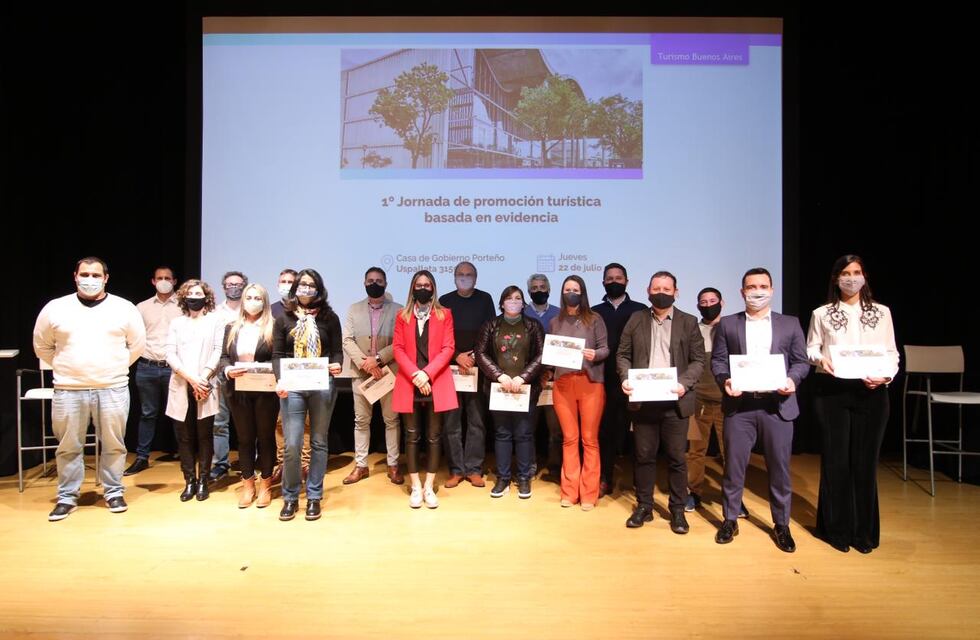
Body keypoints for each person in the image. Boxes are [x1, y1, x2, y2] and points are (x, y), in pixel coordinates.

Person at [33, 257, 146, 521]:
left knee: (114, 445)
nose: (90, 279)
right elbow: (42, 346)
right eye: (85, 274)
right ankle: (67, 497)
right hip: (69, 389)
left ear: (106, 278)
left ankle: (114, 492)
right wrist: (67, 368)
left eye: (96, 275)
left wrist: (114, 366)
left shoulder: (124, 308)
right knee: (68, 446)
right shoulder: (55, 308)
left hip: (113, 387)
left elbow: (137, 345)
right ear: (75, 275)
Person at [711, 267, 810, 553]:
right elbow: (718, 362)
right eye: (751, 287)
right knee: (733, 468)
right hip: (740, 406)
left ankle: (781, 524)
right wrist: (725, 380)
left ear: (772, 289)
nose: (757, 291)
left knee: (779, 470)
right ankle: (730, 520)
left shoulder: (790, 324)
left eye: (763, 286)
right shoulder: (728, 324)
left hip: (777, 406)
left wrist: (792, 379)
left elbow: (801, 362)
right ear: (742, 292)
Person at [807, 255, 898, 554]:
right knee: (836, 462)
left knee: (864, 463)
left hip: (872, 393)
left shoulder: (882, 313)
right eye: (845, 273)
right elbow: (811, 347)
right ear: (836, 279)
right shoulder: (821, 313)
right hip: (833, 392)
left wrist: (886, 376)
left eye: (856, 272)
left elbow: (891, 352)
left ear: (865, 276)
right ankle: (836, 529)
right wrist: (822, 359)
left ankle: (864, 533)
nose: (851, 278)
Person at [617, 272, 705, 533]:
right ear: (647, 290)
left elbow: (698, 360)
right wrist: (625, 378)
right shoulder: (636, 319)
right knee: (644, 457)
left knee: (677, 458)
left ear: (676, 292)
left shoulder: (688, 322)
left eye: (666, 288)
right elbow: (623, 354)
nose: (661, 292)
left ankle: (677, 510)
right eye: (656, 288)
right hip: (644, 402)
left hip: (675, 401)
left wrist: (684, 384)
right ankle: (644, 506)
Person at [273, 269, 343, 521]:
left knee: (318, 442)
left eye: (311, 285)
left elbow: (337, 351)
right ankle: (290, 496)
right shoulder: (284, 318)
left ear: (319, 289)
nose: (305, 288)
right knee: (292, 443)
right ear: (295, 289)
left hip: (321, 384)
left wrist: (337, 365)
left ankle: (314, 495)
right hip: (292, 386)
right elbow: (278, 355)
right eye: (301, 284)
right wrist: (279, 379)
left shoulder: (330, 318)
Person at [393, 270, 458, 509]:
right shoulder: (402, 315)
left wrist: (426, 374)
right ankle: (416, 487)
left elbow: (449, 348)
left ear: (433, 288)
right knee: (411, 436)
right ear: (412, 288)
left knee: (433, 436)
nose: (423, 288)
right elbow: (398, 348)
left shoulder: (445, 314)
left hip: (435, 381)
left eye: (427, 284)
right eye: (418, 285)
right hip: (410, 382)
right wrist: (415, 375)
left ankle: (429, 486)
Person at [475, 286, 545, 499]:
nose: (513, 302)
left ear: (523, 303)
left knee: (524, 434)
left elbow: (542, 355)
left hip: (525, 389)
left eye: (518, 298)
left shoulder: (533, 326)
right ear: (502, 302)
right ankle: (503, 478)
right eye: (509, 298)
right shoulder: (491, 325)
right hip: (499, 389)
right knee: (502, 434)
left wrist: (523, 377)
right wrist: (500, 376)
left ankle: (524, 478)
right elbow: (480, 353)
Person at [685, 287, 747, 518]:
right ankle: (693, 492)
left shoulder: (732, 328)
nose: (708, 304)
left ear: (723, 302)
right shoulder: (693, 329)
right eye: (703, 301)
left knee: (730, 452)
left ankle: (734, 499)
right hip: (697, 400)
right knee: (695, 451)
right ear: (697, 304)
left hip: (727, 401)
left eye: (713, 300)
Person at [549, 275, 609, 510]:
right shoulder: (555, 321)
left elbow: (605, 348)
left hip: (589, 382)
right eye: (567, 289)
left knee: (589, 440)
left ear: (582, 293)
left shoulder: (594, 319)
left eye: (575, 289)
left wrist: (596, 354)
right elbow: (552, 352)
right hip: (563, 384)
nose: (571, 293)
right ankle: (569, 491)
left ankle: (589, 494)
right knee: (569, 439)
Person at [342, 266, 404, 486]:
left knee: (391, 421)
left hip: (389, 372)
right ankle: (361, 466)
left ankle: (393, 464)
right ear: (364, 283)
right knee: (361, 421)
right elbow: (347, 340)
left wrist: (377, 360)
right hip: (361, 373)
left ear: (386, 284)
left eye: (379, 280)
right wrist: (366, 364)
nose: (374, 283)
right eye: (370, 280)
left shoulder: (399, 310)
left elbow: (401, 342)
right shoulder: (353, 309)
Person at [219, 283, 279, 508]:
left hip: (265, 391)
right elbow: (224, 356)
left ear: (264, 301)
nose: (253, 301)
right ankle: (248, 485)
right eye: (249, 297)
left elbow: (278, 358)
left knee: (265, 438)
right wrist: (227, 370)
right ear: (243, 300)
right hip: (238, 390)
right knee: (244, 440)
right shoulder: (231, 327)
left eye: (258, 298)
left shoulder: (273, 326)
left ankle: (265, 484)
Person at [165, 279, 224, 502]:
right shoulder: (176, 323)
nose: (195, 297)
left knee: (205, 436)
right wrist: (191, 379)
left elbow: (218, 350)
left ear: (206, 297)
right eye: (190, 293)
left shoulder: (215, 321)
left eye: (199, 293)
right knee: (185, 437)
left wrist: (203, 378)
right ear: (183, 297)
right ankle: (189, 480)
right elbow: (170, 353)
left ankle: (203, 481)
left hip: (205, 385)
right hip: (182, 383)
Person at [439, 261, 496, 488]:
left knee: (476, 421)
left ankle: (473, 469)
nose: (465, 277)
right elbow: (439, 336)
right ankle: (455, 470)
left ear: (476, 277)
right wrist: (457, 356)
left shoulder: (485, 299)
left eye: (469, 274)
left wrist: (473, 356)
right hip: (450, 368)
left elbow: (490, 331)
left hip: (476, 368)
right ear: (454, 278)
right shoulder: (444, 301)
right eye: (460, 274)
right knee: (451, 422)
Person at [593, 263, 648, 497]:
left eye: (619, 277)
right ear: (603, 282)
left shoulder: (640, 310)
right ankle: (605, 478)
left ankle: (640, 481)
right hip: (603, 380)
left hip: (635, 381)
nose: (614, 281)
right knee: (605, 433)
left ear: (627, 281)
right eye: (609, 278)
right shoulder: (594, 311)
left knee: (639, 434)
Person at [125, 265, 182, 476]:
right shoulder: (141, 307)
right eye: (160, 278)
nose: (164, 281)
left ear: (175, 281)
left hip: (174, 369)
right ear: (153, 281)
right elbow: (133, 335)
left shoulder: (183, 306)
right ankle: (142, 457)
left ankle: (184, 453)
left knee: (178, 413)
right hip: (147, 366)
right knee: (148, 413)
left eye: (168, 277)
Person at [210, 270, 247, 482]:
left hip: (248, 375)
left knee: (248, 423)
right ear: (224, 287)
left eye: (238, 284)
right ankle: (221, 464)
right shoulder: (214, 313)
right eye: (230, 284)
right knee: (219, 422)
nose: (234, 287)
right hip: (221, 374)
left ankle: (249, 462)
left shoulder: (252, 310)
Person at [525, 273, 562, 477]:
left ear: (549, 289)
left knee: (555, 430)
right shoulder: (522, 312)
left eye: (542, 287)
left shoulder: (560, 313)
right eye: (535, 287)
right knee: (527, 427)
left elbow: (565, 347)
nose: (539, 290)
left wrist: (551, 371)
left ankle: (555, 466)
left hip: (553, 379)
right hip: (529, 379)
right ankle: (529, 466)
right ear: (529, 291)